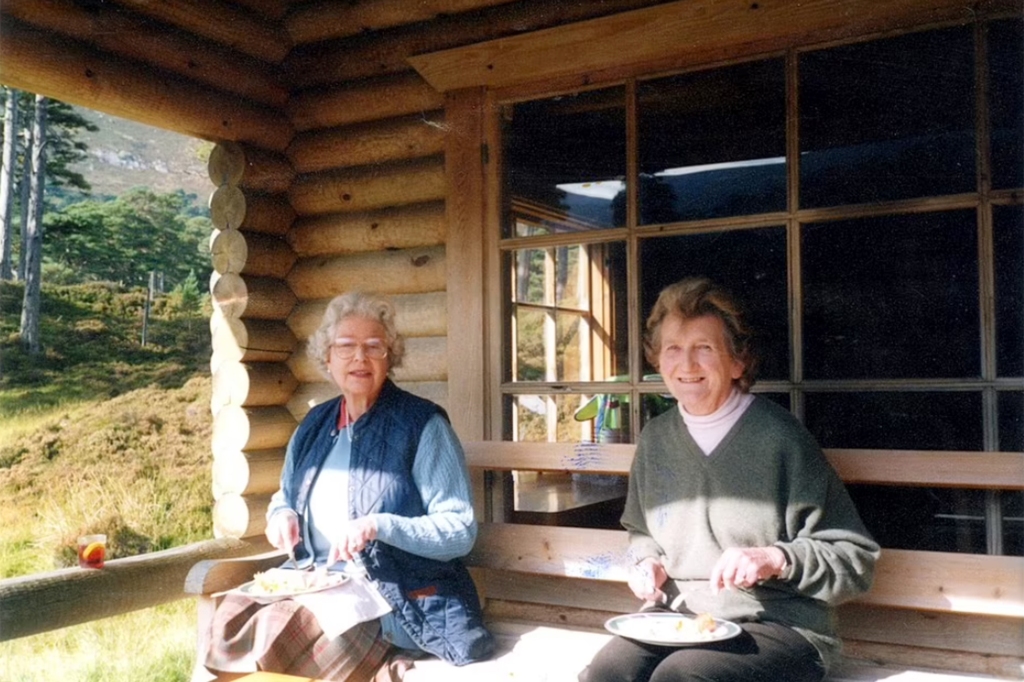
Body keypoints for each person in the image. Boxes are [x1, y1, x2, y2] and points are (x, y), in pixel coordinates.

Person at [579, 277, 880, 682]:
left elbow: (854, 559)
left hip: (779, 624)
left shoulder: (781, 439)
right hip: (678, 617)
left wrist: (775, 558)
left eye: (704, 348)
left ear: (738, 361)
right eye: (673, 349)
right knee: (607, 673)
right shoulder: (656, 439)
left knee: (682, 678)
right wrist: (645, 561)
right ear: (657, 361)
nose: (686, 365)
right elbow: (641, 531)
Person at [200, 291, 494, 681]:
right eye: (346, 347)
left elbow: (459, 530)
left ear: (391, 358)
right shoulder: (315, 425)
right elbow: (285, 495)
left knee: (278, 628)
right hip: (312, 579)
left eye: (374, 347)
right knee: (230, 616)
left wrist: (378, 526)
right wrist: (283, 514)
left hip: (392, 593)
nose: (360, 358)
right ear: (327, 358)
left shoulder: (423, 425)